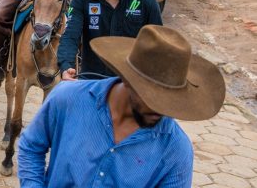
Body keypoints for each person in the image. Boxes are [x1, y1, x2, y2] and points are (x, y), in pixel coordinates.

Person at [18, 25, 226, 188]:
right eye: (153, 98)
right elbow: (31, 146)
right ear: (128, 79)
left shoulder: (175, 150)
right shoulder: (68, 99)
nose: (163, 110)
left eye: (171, 102)